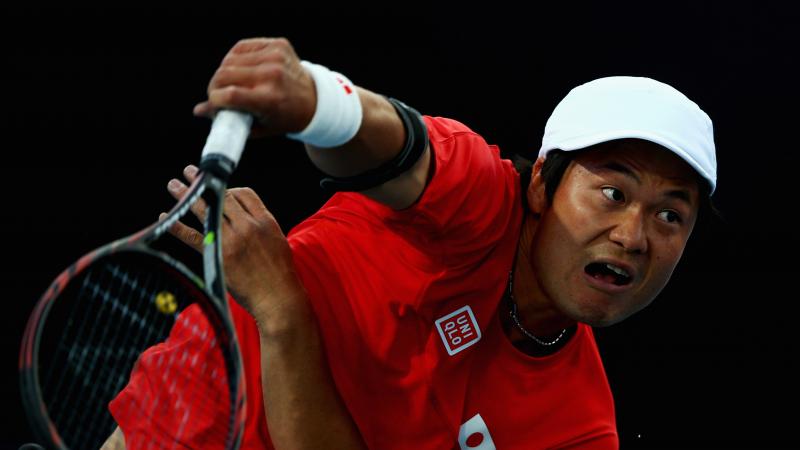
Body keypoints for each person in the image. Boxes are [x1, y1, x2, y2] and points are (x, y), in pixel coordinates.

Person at [107, 37, 717, 449]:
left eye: (669, 216)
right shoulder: (478, 198)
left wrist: (283, 311)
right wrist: (316, 101)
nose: (634, 236)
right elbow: (398, 149)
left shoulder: (579, 430)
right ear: (540, 184)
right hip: (198, 415)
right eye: (612, 193)